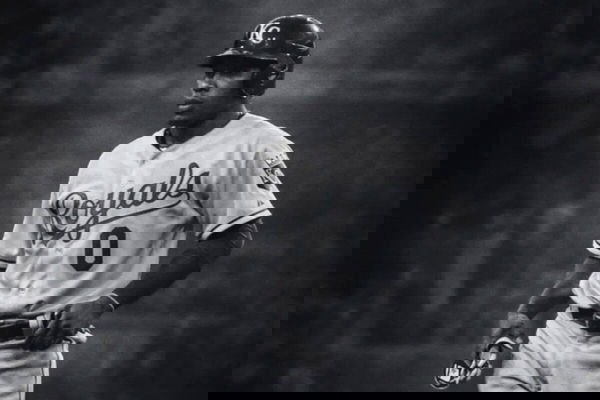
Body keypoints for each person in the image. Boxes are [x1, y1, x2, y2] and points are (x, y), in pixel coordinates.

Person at [0, 14, 323, 398]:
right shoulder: (124, 154)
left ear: (267, 79)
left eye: (236, 72)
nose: (207, 82)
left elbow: (227, 236)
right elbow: (27, 236)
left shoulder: (255, 141)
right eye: (216, 71)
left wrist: (103, 303)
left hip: (30, 329)